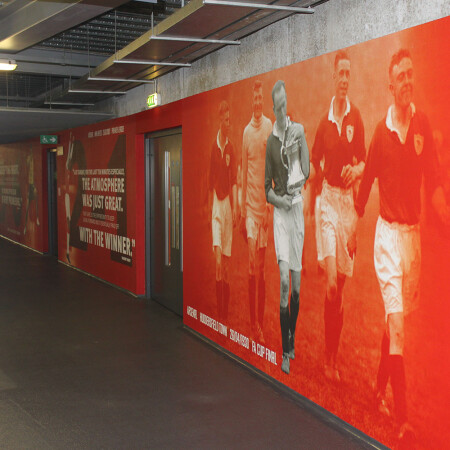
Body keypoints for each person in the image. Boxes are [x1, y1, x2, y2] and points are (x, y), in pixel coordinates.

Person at [353, 49, 450, 444]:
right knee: (397, 328)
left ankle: (378, 391)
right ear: (390, 86)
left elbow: (436, 185)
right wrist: (351, 228)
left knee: (394, 322)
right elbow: (366, 181)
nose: (408, 81)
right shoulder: (380, 131)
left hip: (413, 241)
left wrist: (445, 215)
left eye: (411, 74)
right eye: (401, 76)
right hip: (388, 237)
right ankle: (404, 421)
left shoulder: (423, 127)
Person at [309, 50, 366, 382]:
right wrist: (315, 174)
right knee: (330, 284)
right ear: (333, 78)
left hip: (348, 208)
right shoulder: (324, 123)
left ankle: (331, 356)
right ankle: (328, 362)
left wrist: (356, 171)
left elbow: (363, 161)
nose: (344, 79)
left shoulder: (356, 118)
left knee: (339, 293)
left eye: (348, 73)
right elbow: (315, 162)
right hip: (328, 204)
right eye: (340, 73)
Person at [264, 80, 310, 375]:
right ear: (273, 108)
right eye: (277, 106)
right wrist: (278, 201)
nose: (282, 110)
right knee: (282, 281)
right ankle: (284, 351)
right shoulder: (270, 142)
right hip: (281, 214)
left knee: (295, 287)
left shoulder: (298, 132)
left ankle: (291, 336)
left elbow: (306, 172)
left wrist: (299, 145)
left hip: (297, 211)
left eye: (284, 104)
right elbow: (266, 190)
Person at [241, 80, 272, 343]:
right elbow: (242, 171)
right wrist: (242, 212)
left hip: (263, 210)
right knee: (252, 263)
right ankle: (253, 325)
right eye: (255, 99)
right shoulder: (246, 133)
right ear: (251, 102)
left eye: (261, 98)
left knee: (261, 269)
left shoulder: (270, 128)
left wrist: (270, 204)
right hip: (250, 210)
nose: (258, 102)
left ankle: (259, 323)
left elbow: (271, 167)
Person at [209, 100, 237, 322]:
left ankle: (224, 316)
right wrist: (208, 204)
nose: (228, 123)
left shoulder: (231, 148)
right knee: (218, 261)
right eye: (226, 120)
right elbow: (210, 179)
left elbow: (234, 181)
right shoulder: (214, 147)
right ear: (220, 120)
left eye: (230, 120)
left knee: (226, 266)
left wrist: (235, 207)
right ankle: (219, 314)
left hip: (228, 205)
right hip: (217, 207)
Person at [23, 146, 40, 235]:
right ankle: (25, 226)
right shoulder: (29, 160)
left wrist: (35, 186)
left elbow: (36, 173)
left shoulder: (35, 160)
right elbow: (26, 173)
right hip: (29, 184)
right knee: (28, 205)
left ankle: (37, 217)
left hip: (33, 184)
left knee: (36, 201)